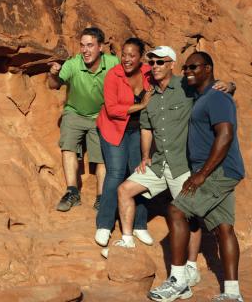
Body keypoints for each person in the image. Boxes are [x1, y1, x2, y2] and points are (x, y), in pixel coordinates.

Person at [101, 46, 234, 270]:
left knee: (188, 217)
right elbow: (146, 128)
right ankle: (127, 240)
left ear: (171, 64)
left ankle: (190, 266)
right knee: (124, 190)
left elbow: (213, 89)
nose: (155, 67)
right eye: (152, 63)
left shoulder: (186, 86)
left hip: (182, 165)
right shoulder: (149, 94)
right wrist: (145, 156)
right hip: (159, 163)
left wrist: (230, 85)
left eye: (160, 62)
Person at [148, 52, 245, 302]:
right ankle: (232, 293)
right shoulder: (202, 96)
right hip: (221, 170)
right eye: (186, 66)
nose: (188, 70)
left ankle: (179, 281)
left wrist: (202, 174)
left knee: (176, 211)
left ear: (209, 69)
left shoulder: (216, 97)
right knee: (224, 229)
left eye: (194, 66)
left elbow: (225, 135)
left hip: (217, 171)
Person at [48, 27, 119, 211]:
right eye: (82, 46)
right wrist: (53, 74)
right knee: (68, 146)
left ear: (100, 47)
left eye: (90, 45)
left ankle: (101, 197)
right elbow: (53, 85)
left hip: (100, 115)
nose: (85, 50)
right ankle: (72, 192)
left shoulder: (112, 63)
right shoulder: (73, 64)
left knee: (102, 156)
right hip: (74, 112)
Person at [94, 38, 153, 247]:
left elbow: (172, 81)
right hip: (113, 128)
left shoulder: (149, 72)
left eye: (132, 55)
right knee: (117, 172)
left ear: (140, 58)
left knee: (139, 173)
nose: (126, 59)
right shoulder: (114, 75)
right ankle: (104, 224)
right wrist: (142, 105)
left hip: (138, 131)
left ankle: (139, 225)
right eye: (124, 54)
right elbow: (112, 109)